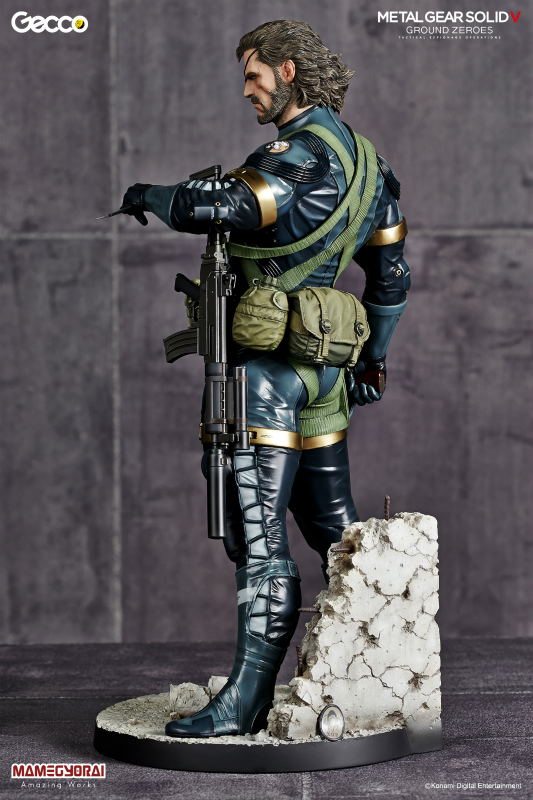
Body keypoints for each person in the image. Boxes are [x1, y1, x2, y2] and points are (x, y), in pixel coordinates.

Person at [121, 19, 410, 738]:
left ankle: (245, 703)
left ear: (288, 72)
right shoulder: (372, 166)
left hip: (264, 381)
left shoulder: (297, 154)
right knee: (336, 534)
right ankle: (372, 669)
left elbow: (226, 206)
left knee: (258, 545)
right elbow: (391, 278)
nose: (246, 89)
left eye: (254, 75)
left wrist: (149, 194)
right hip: (324, 377)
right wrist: (371, 358)